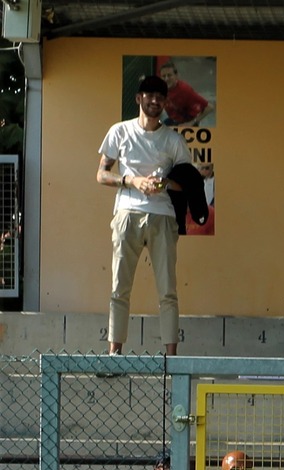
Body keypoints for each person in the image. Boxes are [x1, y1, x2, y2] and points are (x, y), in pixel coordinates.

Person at [97, 72, 211, 356]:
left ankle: (171, 358)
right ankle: (114, 354)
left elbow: (189, 183)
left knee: (168, 291)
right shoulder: (119, 131)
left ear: (165, 102)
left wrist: (164, 183)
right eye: (150, 95)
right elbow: (101, 174)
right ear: (139, 98)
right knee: (119, 288)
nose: (155, 101)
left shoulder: (173, 140)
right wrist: (132, 181)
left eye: (160, 97)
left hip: (163, 216)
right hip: (127, 213)